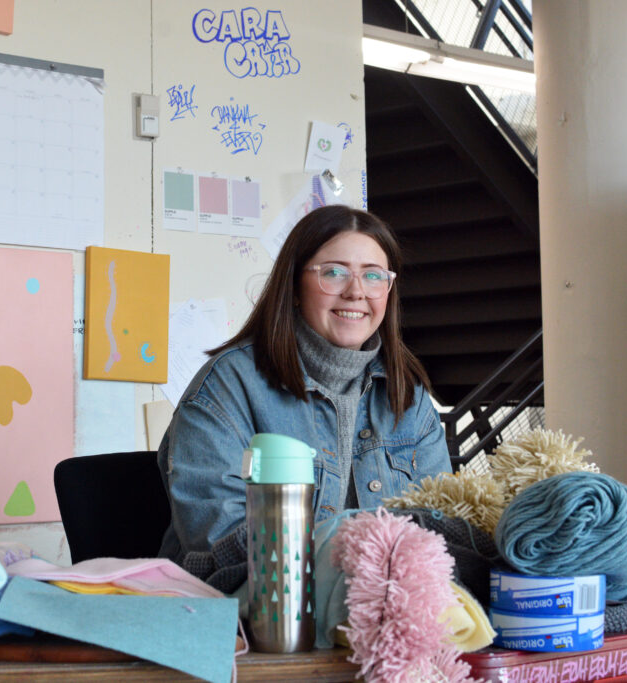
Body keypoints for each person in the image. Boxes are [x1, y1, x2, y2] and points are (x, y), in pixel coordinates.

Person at [156, 204, 451, 592]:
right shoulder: (229, 384)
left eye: (374, 276)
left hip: (381, 616)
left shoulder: (407, 395)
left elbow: (443, 529)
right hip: (247, 623)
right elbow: (219, 544)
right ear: (294, 286)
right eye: (334, 272)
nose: (356, 291)